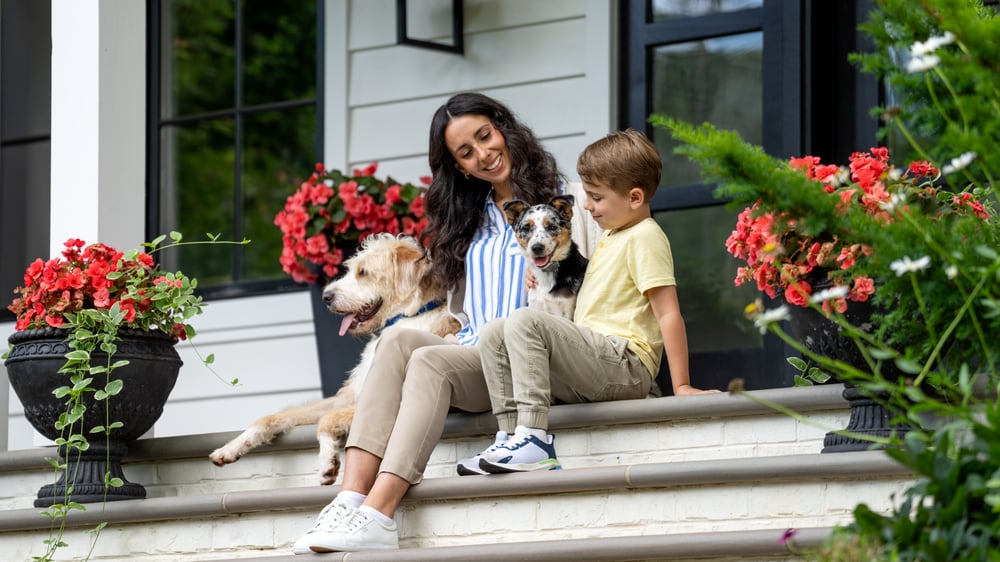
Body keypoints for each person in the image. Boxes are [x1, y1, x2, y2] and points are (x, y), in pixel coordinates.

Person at [293, 92, 600, 553]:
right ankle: (349, 499)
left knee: (429, 365)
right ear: (459, 166)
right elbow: (457, 308)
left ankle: (379, 513)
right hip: (472, 353)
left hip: (525, 359)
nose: (484, 154)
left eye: (485, 136)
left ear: (503, 129)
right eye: (466, 152)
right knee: (397, 342)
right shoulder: (467, 222)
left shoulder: (568, 202)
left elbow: (594, 281)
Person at [472, 129, 719, 474]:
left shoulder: (645, 236)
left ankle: (534, 438)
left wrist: (682, 385)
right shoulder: (610, 238)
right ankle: (509, 436)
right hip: (595, 362)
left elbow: (667, 313)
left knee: (523, 321)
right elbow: (588, 286)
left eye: (596, 198)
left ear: (634, 197)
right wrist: (540, 274)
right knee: (495, 332)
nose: (586, 205)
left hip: (626, 363)